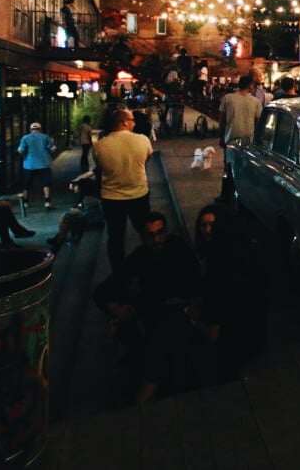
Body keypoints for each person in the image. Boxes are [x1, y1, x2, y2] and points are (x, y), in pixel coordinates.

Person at [94, 212, 205, 404]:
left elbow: (192, 285)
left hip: (180, 311)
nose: (156, 240)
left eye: (160, 233)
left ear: (166, 232)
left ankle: (145, 392)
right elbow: (107, 288)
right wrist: (116, 311)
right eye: (150, 235)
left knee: (168, 331)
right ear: (143, 237)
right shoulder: (141, 256)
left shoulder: (178, 249)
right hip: (156, 311)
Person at [194, 204, 266, 381]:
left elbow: (222, 297)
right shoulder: (228, 250)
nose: (208, 230)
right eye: (203, 226)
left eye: (212, 225)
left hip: (234, 330)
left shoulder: (224, 258)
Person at [94, 108, 154, 273]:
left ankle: (119, 271)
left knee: (115, 237)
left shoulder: (100, 145)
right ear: (124, 122)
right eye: (132, 120)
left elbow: (100, 166)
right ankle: (149, 266)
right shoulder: (142, 140)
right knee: (145, 231)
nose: (134, 123)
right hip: (138, 194)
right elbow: (146, 159)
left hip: (111, 198)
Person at [218, 74, 263, 202]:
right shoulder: (255, 102)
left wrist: (221, 137)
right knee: (245, 169)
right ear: (250, 85)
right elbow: (258, 123)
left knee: (228, 169)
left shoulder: (228, 98)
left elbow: (222, 121)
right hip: (248, 142)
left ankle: (226, 195)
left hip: (231, 140)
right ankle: (244, 195)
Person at [17, 121, 56, 209]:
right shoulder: (45, 137)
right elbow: (53, 149)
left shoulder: (25, 138)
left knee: (27, 185)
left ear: (31, 129)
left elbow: (20, 150)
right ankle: (47, 202)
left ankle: (26, 202)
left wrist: (24, 155)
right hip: (44, 164)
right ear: (40, 129)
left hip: (29, 165)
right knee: (46, 183)